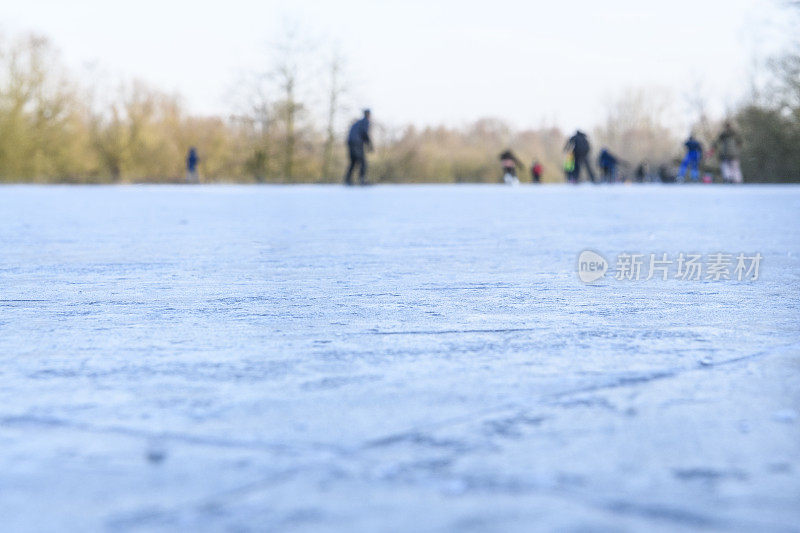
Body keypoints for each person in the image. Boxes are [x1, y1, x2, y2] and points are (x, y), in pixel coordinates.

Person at [344, 109, 373, 185]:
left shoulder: (358, 122)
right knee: (363, 162)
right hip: (357, 143)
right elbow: (364, 133)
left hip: (350, 142)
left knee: (353, 161)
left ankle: (347, 179)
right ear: (368, 115)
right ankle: (362, 179)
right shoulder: (365, 122)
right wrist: (369, 144)